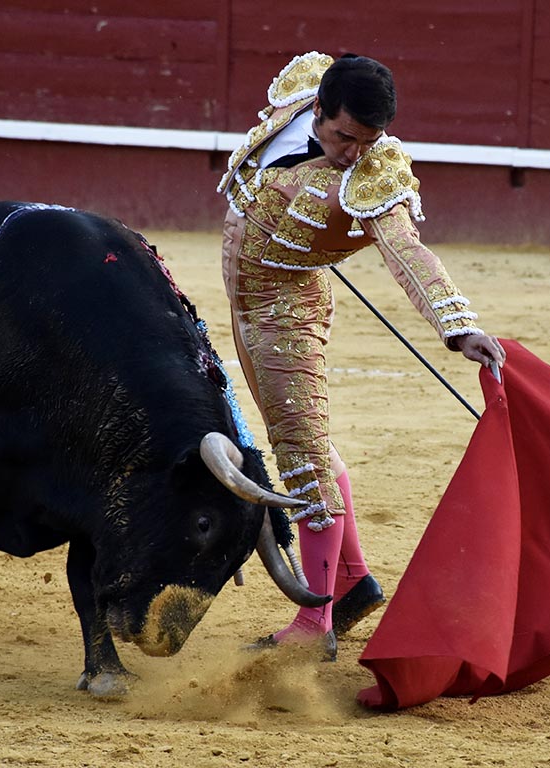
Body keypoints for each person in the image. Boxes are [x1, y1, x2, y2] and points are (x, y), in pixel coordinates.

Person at [217, 52, 506, 660]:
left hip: (286, 316)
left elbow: (407, 252)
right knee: (304, 444)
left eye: (367, 141)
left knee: (302, 460)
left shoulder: (373, 174)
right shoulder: (299, 95)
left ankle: (313, 624)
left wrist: (458, 327)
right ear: (318, 108)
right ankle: (351, 583)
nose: (354, 153)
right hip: (246, 309)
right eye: (345, 136)